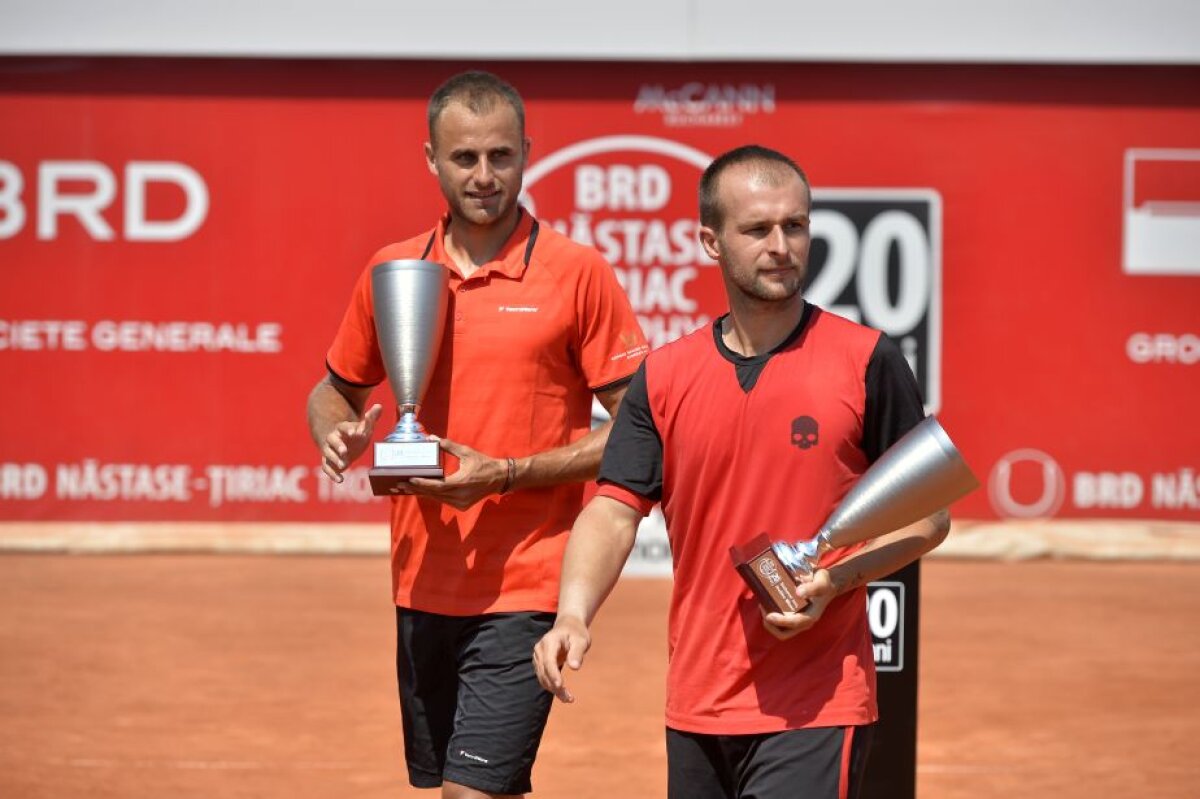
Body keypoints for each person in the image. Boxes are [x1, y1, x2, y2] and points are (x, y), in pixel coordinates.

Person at [533, 144, 951, 799]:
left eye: (795, 225)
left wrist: (835, 581)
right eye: (758, 229)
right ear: (711, 241)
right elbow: (613, 510)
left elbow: (930, 516)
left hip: (818, 703)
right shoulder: (664, 375)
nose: (781, 246)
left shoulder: (868, 360)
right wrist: (573, 615)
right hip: (696, 703)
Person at [307, 71, 647, 799]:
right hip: (420, 583)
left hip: (528, 580)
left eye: (501, 155)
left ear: (527, 153)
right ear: (432, 159)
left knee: (472, 792)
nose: (485, 176)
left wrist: (509, 473)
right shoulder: (394, 271)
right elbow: (334, 389)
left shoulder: (578, 273)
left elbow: (637, 428)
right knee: (468, 786)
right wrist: (337, 434)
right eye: (465, 158)